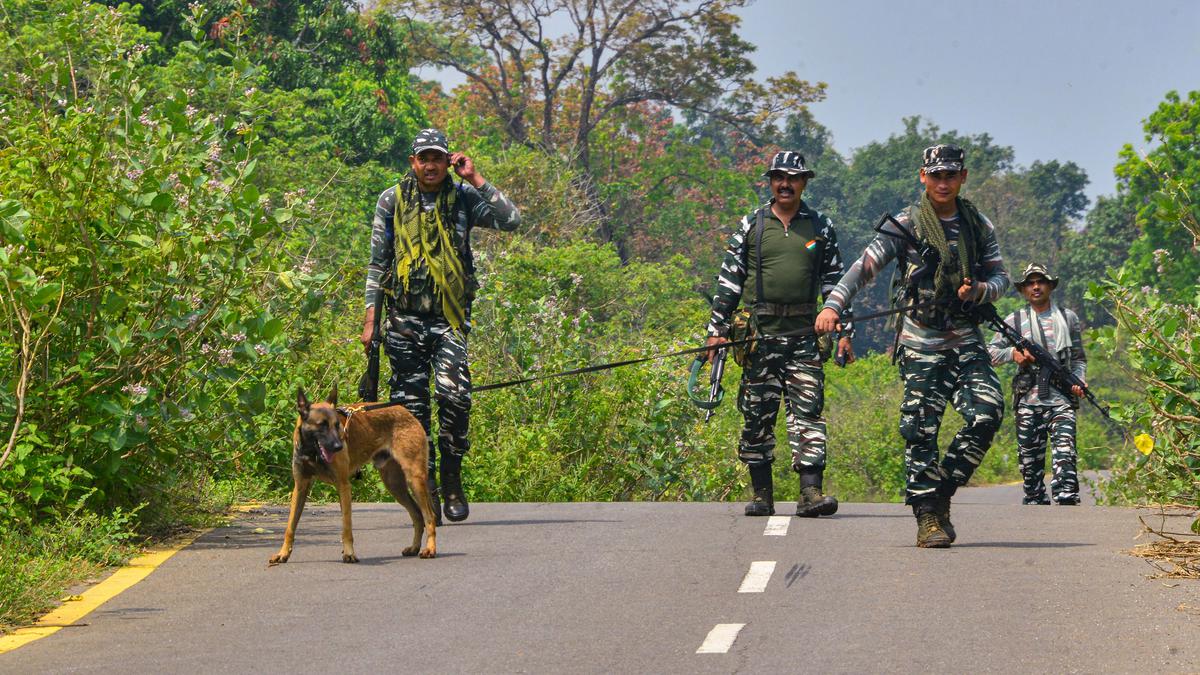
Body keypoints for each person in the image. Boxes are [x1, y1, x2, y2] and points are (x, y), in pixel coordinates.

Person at [815, 144, 1010, 548]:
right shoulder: (906, 225)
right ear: (923, 176)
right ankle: (927, 519)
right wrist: (834, 305)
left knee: (987, 413)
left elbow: (1002, 278)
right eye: (935, 175)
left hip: (966, 338)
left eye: (950, 175)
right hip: (920, 341)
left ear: (963, 177)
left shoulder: (978, 224)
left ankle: (940, 493)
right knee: (921, 430)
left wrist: (981, 292)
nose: (943, 182)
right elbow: (862, 268)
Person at [361, 128, 521, 524]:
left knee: (456, 397)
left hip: (449, 321)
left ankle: (452, 480)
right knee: (411, 412)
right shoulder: (391, 200)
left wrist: (475, 177)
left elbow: (512, 219)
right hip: (403, 322)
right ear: (412, 162)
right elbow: (378, 264)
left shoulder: (463, 198)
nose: (430, 166)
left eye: (437, 158)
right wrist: (371, 321)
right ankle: (426, 486)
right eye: (423, 158)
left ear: (447, 160)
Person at [705, 151, 855, 518]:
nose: (785, 184)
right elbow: (729, 282)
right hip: (760, 337)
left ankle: (810, 494)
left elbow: (836, 283)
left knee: (808, 413)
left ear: (805, 182)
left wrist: (844, 330)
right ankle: (762, 496)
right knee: (756, 415)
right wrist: (716, 331)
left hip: (805, 336)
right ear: (770, 181)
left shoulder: (820, 227)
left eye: (793, 178)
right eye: (778, 177)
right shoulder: (752, 225)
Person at [987, 263, 1087, 505]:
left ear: (1050, 286)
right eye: (1030, 283)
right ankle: (1035, 501)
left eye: (1040, 281)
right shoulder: (1014, 320)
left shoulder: (1068, 318)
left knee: (1065, 453)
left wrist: (1079, 381)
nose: (1036, 287)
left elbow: (1078, 358)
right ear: (1023, 290)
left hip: (1061, 400)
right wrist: (1013, 354)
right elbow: (990, 352)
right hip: (1028, 401)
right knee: (1030, 464)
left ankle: (1066, 498)